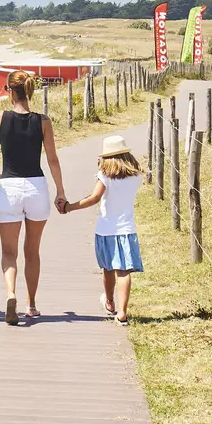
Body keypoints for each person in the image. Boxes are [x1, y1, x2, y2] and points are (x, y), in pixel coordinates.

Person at [0, 70, 67, 325]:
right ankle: (31, 304)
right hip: (36, 187)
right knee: (32, 250)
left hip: (9, 187)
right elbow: (52, 159)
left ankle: (11, 293)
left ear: (11, 91)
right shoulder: (43, 121)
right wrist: (61, 191)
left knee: (9, 252)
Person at [62, 135, 144, 325]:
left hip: (106, 229)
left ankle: (109, 301)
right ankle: (122, 312)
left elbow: (94, 197)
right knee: (123, 271)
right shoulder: (136, 176)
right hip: (127, 229)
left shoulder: (105, 176)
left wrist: (69, 207)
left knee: (107, 267)